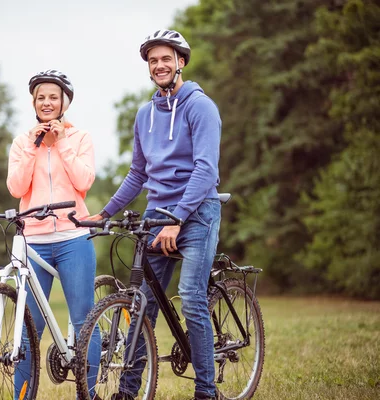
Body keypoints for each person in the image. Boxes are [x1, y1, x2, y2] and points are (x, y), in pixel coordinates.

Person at [88, 30, 222, 400]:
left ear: (181, 62)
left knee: (191, 296)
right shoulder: (145, 114)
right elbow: (137, 173)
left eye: (166, 58)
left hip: (197, 213)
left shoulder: (201, 106)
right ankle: (128, 393)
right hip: (158, 215)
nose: (159, 65)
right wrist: (106, 212)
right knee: (141, 305)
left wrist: (177, 219)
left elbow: (205, 170)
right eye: (153, 60)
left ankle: (206, 392)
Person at [7, 69, 101, 400]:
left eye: (53, 97)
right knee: (29, 328)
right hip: (33, 241)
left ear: (65, 102)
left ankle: (88, 394)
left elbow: (83, 182)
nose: (47, 102)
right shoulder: (22, 142)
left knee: (84, 320)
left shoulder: (80, 138)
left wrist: (60, 142)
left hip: (74, 239)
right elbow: (16, 187)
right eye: (41, 97)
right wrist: (35, 146)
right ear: (33, 102)